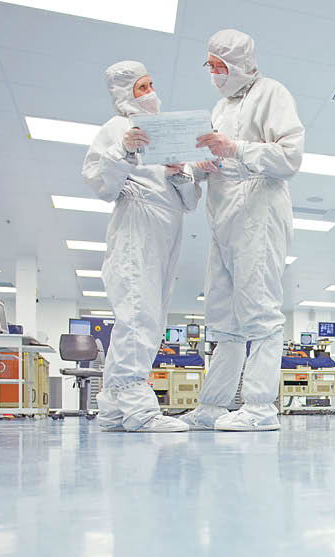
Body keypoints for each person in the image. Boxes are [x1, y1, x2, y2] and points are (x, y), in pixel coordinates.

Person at [178, 29, 305, 432]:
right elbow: (212, 156)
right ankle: (213, 405)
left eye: (221, 67)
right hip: (222, 215)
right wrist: (199, 165)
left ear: (240, 65)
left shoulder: (272, 93)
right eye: (210, 66)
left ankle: (260, 408)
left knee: (259, 310)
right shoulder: (218, 109)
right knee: (223, 317)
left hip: (258, 210)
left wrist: (236, 149)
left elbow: (290, 157)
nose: (214, 74)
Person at [82, 60, 202, 432]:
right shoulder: (116, 128)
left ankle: (112, 408)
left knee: (152, 319)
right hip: (136, 222)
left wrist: (179, 173)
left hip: (168, 228)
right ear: (125, 93)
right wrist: (124, 150)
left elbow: (190, 202)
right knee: (137, 314)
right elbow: (101, 184)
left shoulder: (166, 134)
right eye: (141, 88)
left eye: (151, 85)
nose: (150, 93)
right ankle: (138, 409)